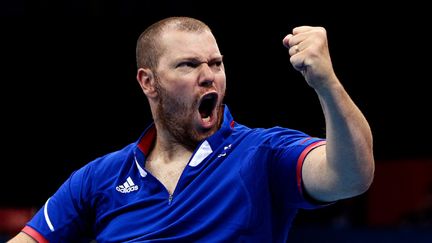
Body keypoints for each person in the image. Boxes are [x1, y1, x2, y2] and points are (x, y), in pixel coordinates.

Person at [8, 16, 375, 242]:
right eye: (188, 65)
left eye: (216, 63)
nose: (208, 76)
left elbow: (351, 177)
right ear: (148, 82)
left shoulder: (263, 153)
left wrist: (326, 83)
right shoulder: (99, 177)